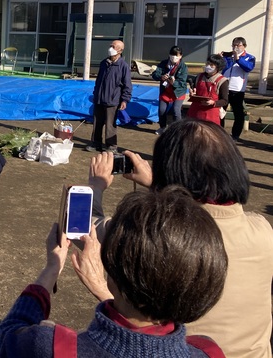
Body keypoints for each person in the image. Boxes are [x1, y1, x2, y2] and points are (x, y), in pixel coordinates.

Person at [89, 118, 273, 358]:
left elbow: (87, 227)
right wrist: (157, 185)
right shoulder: (262, 230)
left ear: (170, 172)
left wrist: (95, 185)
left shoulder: (159, 235)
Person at [0, 186, 228, 357]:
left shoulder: (52, 347)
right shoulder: (207, 352)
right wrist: (102, 288)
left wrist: (51, 269)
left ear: (112, 267)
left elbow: (8, 334)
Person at [86, 39, 132, 153]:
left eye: (114, 46)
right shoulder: (104, 63)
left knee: (110, 125)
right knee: (97, 123)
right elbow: (98, 81)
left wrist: (124, 100)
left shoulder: (123, 66)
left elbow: (127, 85)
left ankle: (111, 146)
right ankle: (96, 143)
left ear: (120, 50)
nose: (110, 48)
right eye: (110, 45)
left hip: (113, 100)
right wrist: (95, 93)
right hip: (99, 98)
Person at [222, 37, 256, 141]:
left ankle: (235, 135)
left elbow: (248, 68)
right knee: (220, 111)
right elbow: (223, 68)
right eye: (234, 45)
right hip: (224, 87)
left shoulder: (249, 57)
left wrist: (238, 58)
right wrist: (221, 58)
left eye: (238, 45)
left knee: (238, 113)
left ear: (244, 46)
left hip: (237, 90)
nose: (236, 47)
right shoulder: (228, 57)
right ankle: (220, 133)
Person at [151, 45, 188, 135]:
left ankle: (179, 129)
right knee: (162, 110)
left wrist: (174, 83)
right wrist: (161, 77)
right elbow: (155, 74)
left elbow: (183, 82)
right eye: (172, 55)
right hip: (166, 91)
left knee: (176, 111)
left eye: (177, 55)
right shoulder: (163, 63)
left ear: (181, 56)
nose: (174, 57)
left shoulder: (183, 67)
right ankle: (162, 127)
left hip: (178, 92)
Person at [187, 54, 228, 124]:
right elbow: (195, 89)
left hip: (211, 113)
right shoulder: (199, 76)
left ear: (217, 67)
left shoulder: (222, 81)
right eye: (207, 63)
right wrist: (193, 93)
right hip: (195, 110)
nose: (208, 66)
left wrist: (214, 102)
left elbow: (225, 101)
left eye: (212, 65)